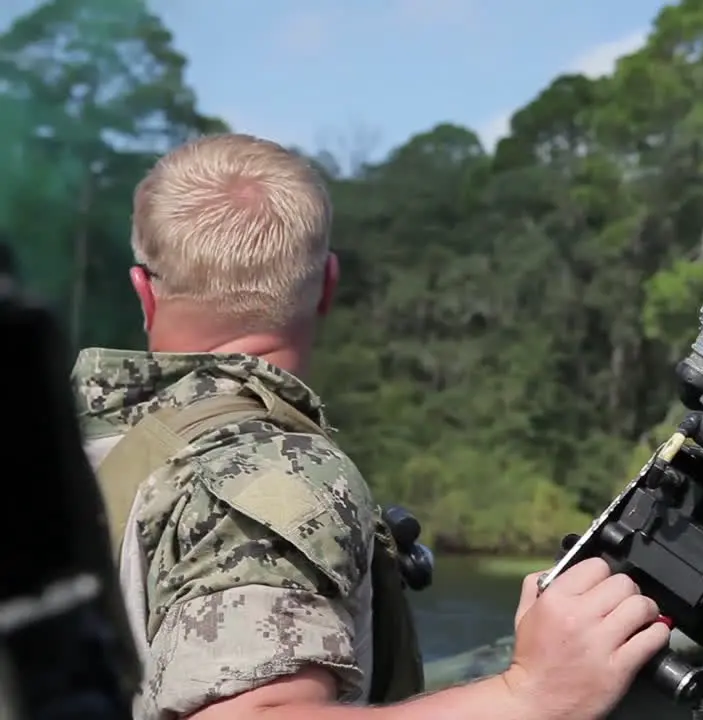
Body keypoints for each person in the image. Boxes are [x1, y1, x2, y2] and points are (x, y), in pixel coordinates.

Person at [71, 133, 671, 720]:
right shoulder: (268, 474)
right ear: (329, 284)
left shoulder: (62, 446)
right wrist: (530, 696)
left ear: (143, 292)